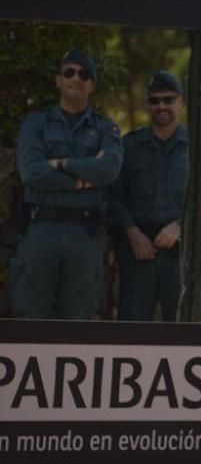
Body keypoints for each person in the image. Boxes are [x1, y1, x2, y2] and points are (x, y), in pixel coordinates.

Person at [11, 49, 123, 319]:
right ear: (58, 80)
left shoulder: (106, 128)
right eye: (69, 72)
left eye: (84, 74)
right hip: (41, 231)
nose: (76, 78)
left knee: (78, 322)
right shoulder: (36, 123)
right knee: (30, 318)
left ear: (92, 85)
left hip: (84, 236)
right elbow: (32, 172)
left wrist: (61, 163)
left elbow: (109, 169)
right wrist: (82, 182)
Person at [108, 71, 187, 321]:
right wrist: (133, 234)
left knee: (181, 328)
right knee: (132, 328)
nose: (161, 106)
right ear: (148, 104)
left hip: (180, 255)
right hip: (137, 252)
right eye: (155, 101)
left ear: (180, 102)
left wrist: (180, 225)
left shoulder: (196, 148)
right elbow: (112, 197)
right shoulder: (129, 146)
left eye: (168, 100)